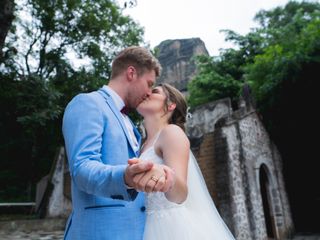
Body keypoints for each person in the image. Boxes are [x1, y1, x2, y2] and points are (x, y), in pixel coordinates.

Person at [62, 46, 175, 240]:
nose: (149, 92)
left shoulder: (131, 124)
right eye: (149, 83)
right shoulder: (88, 103)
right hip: (99, 233)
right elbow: (81, 168)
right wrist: (125, 177)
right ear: (131, 73)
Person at [130, 83, 236, 240]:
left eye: (155, 92)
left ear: (171, 105)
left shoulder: (171, 132)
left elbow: (180, 194)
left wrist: (166, 178)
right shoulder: (141, 144)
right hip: (142, 224)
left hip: (169, 228)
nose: (147, 94)